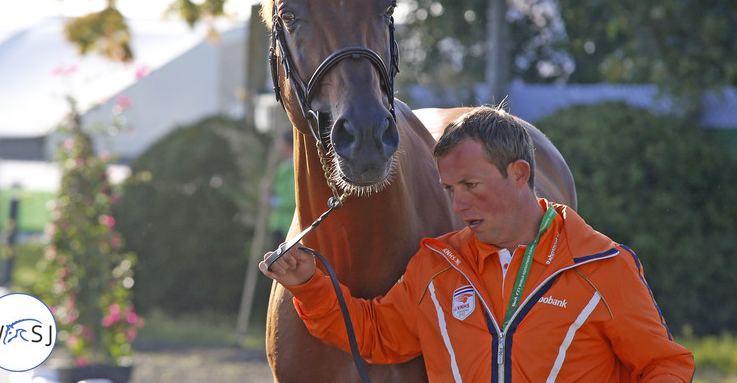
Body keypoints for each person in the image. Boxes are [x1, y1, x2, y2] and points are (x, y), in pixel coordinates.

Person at [260, 105, 695, 381]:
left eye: (471, 184)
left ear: (520, 174)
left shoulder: (604, 267)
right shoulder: (436, 266)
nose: (460, 204)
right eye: (451, 190)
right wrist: (309, 284)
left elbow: (666, 366)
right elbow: (374, 334)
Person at [268, 129, 295, 249]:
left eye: (281, 142)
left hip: (290, 225)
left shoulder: (296, 168)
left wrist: (272, 201)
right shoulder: (281, 168)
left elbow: (294, 199)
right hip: (278, 224)